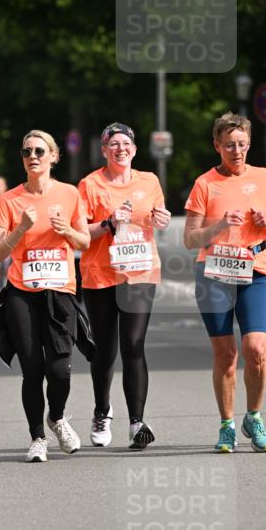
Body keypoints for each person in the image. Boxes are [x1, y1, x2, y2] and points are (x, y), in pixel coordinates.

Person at [184, 112, 266, 453]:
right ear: (217, 146)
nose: (236, 151)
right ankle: (227, 425)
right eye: (229, 145)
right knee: (227, 355)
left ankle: (254, 417)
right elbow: (189, 239)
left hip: (254, 270)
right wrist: (217, 226)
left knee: (257, 350)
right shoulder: (204, 184)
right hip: (214, 272)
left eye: (242, 144)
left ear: (249, 144)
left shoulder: (264, 177)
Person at [0, 129, 91, 462]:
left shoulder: (70, 194)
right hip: (22, 291)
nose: (32, 156)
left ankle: (57, 417)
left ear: (53, 156)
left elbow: (85, 242)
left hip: (60, 290)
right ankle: (37, 438)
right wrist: (19, 229)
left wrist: (67, 231)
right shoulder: (9, 201)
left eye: (39, 151)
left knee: (60, 369)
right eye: (26, 151)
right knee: (32, 369)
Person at [78, 122, 171, 450]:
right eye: (113, 144)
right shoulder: (90, 184)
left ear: (134, 148)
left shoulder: (150, 181)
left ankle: (136, 422)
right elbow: (79, 235)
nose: (121, 148)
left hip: (140, 272)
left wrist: (161, 219)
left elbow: (156, 218)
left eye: (126, 143)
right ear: (104, 150)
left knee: (133, 343)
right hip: (100, 274)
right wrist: (108, 223)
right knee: (105, 349)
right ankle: (102, 411)